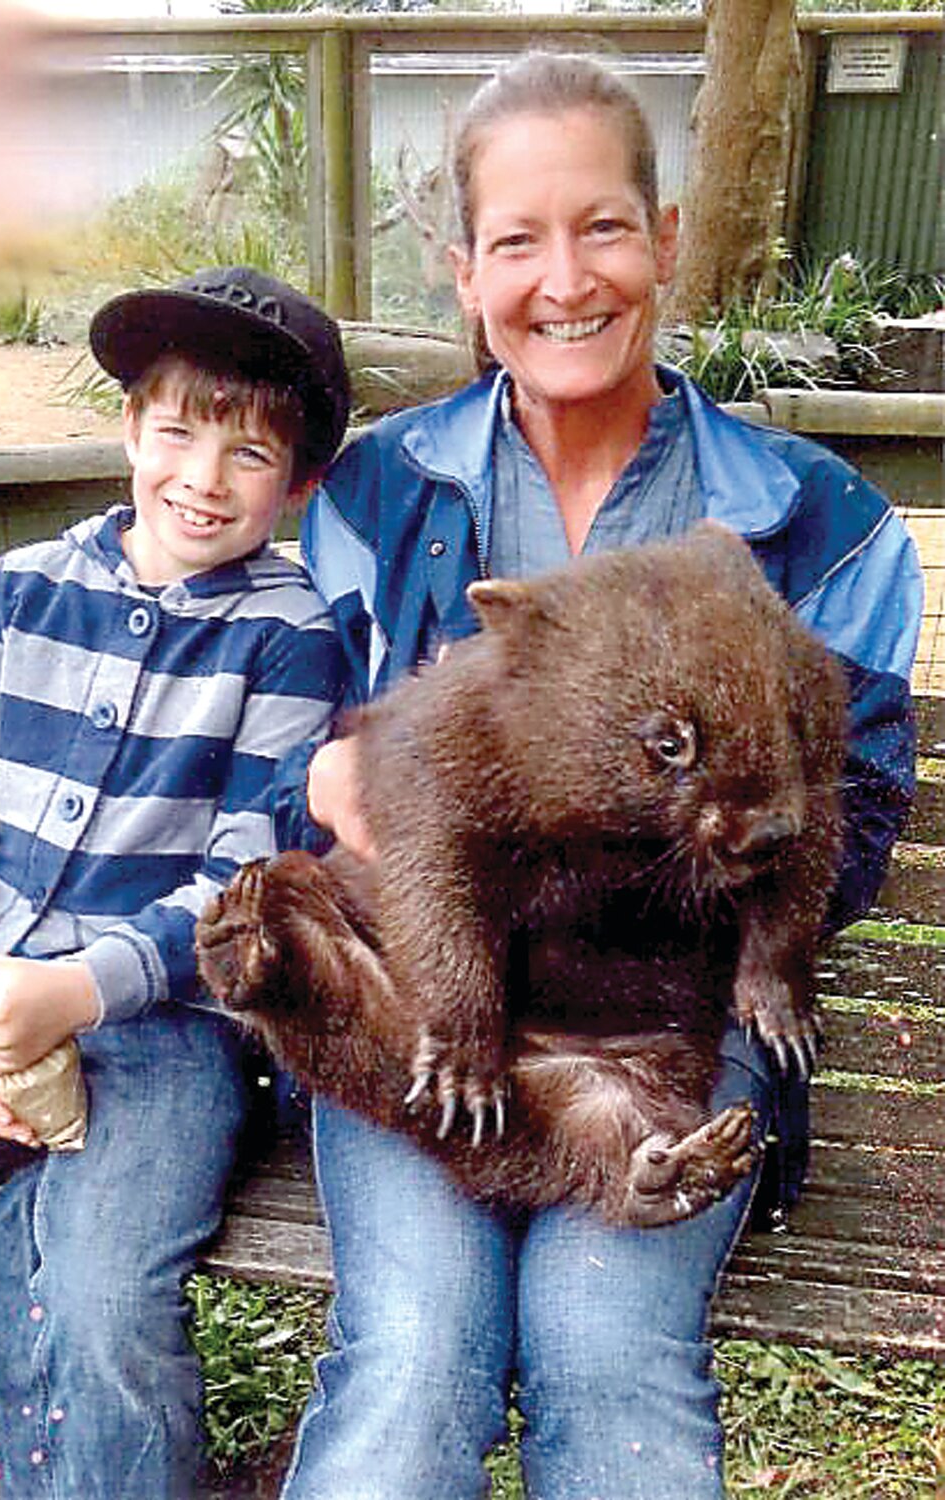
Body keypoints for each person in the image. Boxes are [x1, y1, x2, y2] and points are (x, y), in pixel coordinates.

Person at [281, 52, 924, 1500]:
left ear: (670, 238)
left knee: (605, 1340)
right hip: (429, 1000)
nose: (565, 279)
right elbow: (285, 751)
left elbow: (854, 815)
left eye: (605, 228)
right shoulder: (375, 497)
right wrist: (328, 783)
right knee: (414, 1344)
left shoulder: (817, 523)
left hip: (675, 1019)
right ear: (463, 271)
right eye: (517, 240)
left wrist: (660, 895)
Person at [0, 265, 349, 1497]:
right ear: (128, 427)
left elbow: (244, 888)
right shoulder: (22, 592)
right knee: (22, 1238)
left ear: (304, 481)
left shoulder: (292, 636)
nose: (202, 480)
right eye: (175, 433)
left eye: (249, 455)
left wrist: (73, 993)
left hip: (173, 1031)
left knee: (103, 1289)